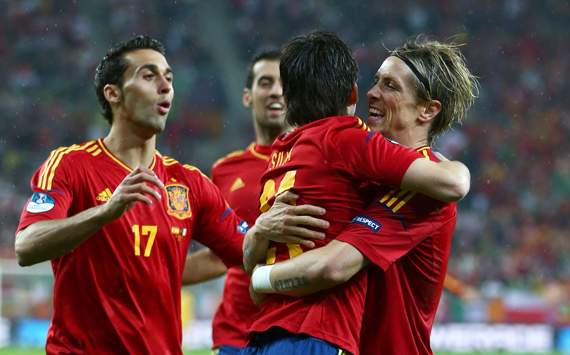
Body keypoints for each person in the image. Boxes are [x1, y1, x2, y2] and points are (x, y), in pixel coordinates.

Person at [14, 35, 247, 355]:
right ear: (113, 94)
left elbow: (244, 252)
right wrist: (105, 211)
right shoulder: (70, 165)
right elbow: (27, 245)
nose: (165, 87)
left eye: (169, 78)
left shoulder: (190, 182)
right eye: (149, 76)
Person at [241, 31, 471, 355]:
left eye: (390, 86)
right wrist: (259, 233)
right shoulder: (356, 165)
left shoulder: (422, 190)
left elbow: (333, 265)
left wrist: (258, 279)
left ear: (427, 111)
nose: (372, 93)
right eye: (375, 80)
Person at [182, 49, 289, 355]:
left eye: (284, 84)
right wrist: (148, 274)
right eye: (265, 83)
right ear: (247, 96)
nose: (276, 92)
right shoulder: (224, 170)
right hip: (235, 333)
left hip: (296, 330)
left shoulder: (322, 160)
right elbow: (218, 256)